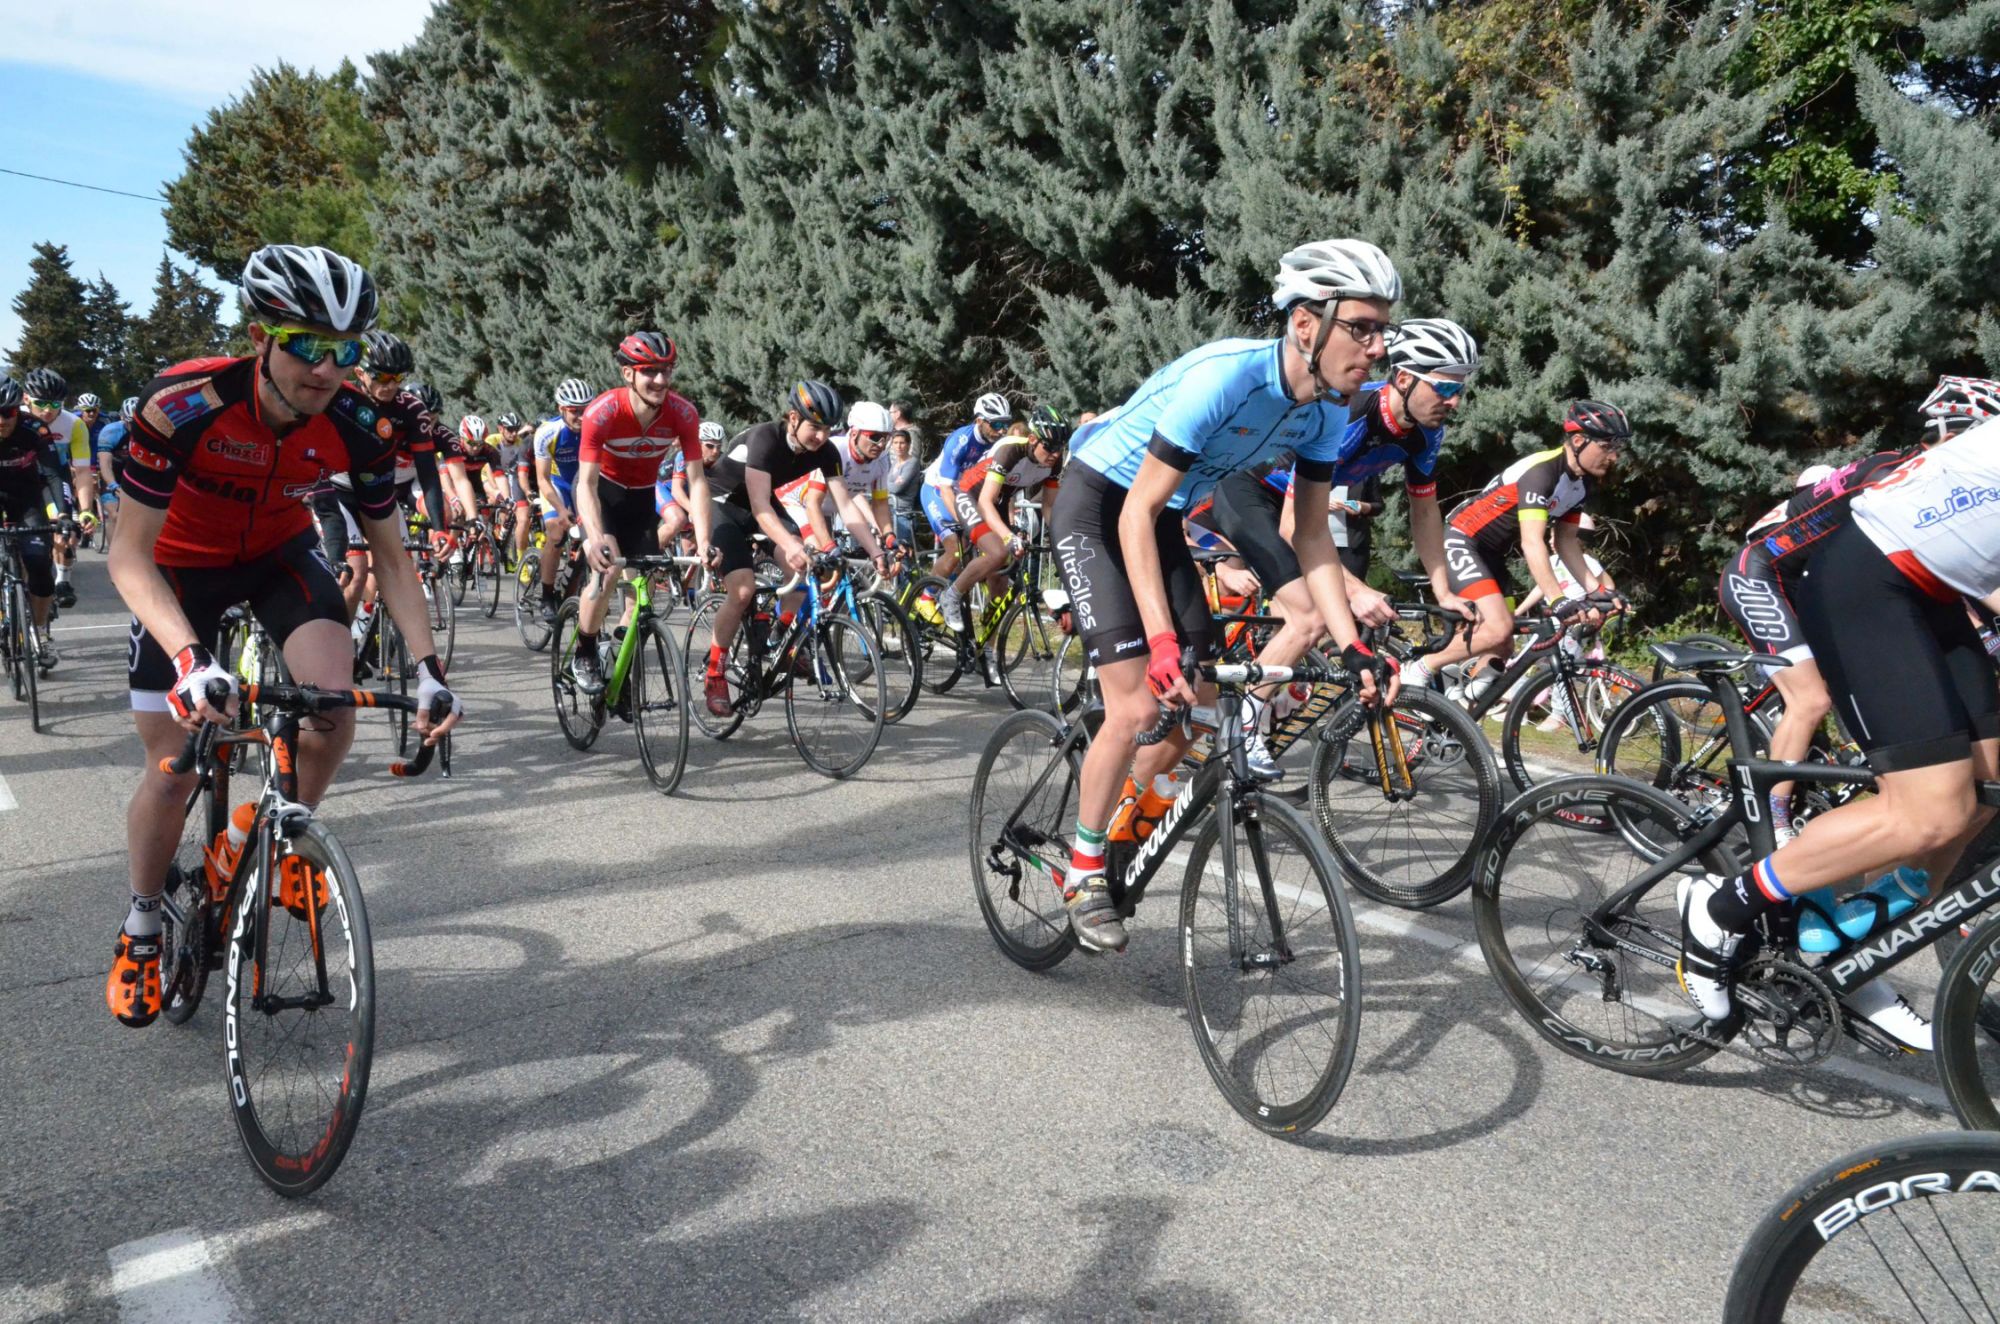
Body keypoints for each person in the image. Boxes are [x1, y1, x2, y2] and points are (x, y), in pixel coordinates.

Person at [104, 243, 461, 1029]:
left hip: (278, 557)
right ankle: (142, 923)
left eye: (345, 351)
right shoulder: (183, 405)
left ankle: (274, 838)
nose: (327, 369)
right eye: (306, 345)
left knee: (332, 707)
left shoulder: (361, 426)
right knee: (171, 768)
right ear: (261, 337)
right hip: (178, 568)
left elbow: (393, 559)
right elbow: (127, 554)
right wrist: (190, 660)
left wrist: (429, 669)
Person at [1050, 237, 1404, 951]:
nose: (1377, 347)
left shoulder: (1327, 410)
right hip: (1099, 506)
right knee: (1138, 703)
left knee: (1203, 707)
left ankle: (1126, 824)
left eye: (1383, 330)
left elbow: (1313, 536)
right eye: (1362, 327)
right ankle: (1084, 869)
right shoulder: (1226, 377)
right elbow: (1135, 512)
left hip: (1162, 516)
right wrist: (1158, 642)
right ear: (1305, 324)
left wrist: (1354, 647)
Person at [1678, 413, 2000, 1053]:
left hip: (1930, 589)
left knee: (1987, 790)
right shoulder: (1892, 466)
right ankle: (1722, 905)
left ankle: (1856, 950)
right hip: (1859, 578)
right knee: (1922, 806)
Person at [1209, 315, 1480, 777]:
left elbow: (1425, 513)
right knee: (1311, 617)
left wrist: (1444, 590)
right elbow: (1296, 528)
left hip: (1297, 508)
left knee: (1326, 621)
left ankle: (1283, 696)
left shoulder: (1426, 431)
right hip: (1251, 494)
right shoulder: (1349, 413)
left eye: (1460, 389)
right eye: (1445, 387)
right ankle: (1239, 729)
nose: (1453, 401)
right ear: (1404, 378)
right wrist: (1354, 588)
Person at [1407, 399, 1629, 690]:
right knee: (1498, 628)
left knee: (1504, 645)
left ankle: (1460, 705)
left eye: (1618, 449)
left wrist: (1598, 591)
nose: (1614, 457)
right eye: (1607, 446)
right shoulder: (1542, 472)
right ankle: (1420, 669)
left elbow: (1566, 542)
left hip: (1492, 555)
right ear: (1578, 441)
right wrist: (1557, 599)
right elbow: (1532, 542)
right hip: (1461, 540)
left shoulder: (1580, 483)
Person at [700, 382, 891, 716]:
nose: (821, 436)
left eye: (828, 429)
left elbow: (846, 506)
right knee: (742, 590)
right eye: (815, 427)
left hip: (761, 506)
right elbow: (760, 507)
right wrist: (791, 545)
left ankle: (779, 639)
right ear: (793, 418)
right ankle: (715, 672)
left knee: (805, 573)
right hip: (722, 504)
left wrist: (876, 552)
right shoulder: (765, 438)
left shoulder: (826, 451)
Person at [571, 332, 712, 695]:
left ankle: (617, 662)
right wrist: (595, 538)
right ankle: (585, 650)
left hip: (642, 499)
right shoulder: (603, 411)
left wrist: (704, 540)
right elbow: (586, 483)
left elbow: (697, 481)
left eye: (667, 370)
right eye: (650, 371)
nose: (661, 380)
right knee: (608, 572)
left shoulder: (683, 413)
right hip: (602, 494)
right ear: (628, 373)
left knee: (642, 594)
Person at [938, 404, 1069, 634]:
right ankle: (951, 596)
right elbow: (985, 502)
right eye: (1049, 447)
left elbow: (1049, 506)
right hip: (971, 495)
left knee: (999, 585)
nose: (1055, 454)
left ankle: (988, 647)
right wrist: (1009, 537)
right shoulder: (1010, 451)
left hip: (997, 502)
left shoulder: (1053, 462)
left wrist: (1061, 539)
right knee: (998, 552)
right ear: (1032, 439)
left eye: (1060, 448)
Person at [0, 374, 72, 667]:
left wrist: (64, 514)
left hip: (26, 498)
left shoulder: (35, 429)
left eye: (8, 412)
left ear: (19, 408)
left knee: (40, 567)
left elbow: (54, 474)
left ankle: (40, 632)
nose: (2, 420)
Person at [921, 393, 1013, 581]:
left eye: (1006, 424)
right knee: (956, 547)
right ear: (980, 421)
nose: (1002, 431)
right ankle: (927, 595)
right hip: (937, 491)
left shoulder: (999, 446)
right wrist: (966, 523)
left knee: (993, 549)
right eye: (996, 425)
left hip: (965, 494)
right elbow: (946, 490)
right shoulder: (961, 441)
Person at [24, 368, 95, 608]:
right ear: (26, 399)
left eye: (55, 404)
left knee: (64, 529)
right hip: (19, 477)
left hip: (55, 477)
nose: (47, 410)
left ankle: (62, 581)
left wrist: (86, 510)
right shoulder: (13, 417)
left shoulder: (74, 425)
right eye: (40, 403)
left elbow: (82, 471)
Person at [532, 378, 594, 619]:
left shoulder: (596, 428)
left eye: (585, 410)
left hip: (583, 486)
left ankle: (579, 589)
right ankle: (547, 595)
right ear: (561, 409)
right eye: (574, 411)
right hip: (556, 486)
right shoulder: (548, 432)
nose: (581, 416)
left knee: (594, 535)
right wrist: (560, 508)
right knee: (557, 532)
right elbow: (543, 479)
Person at [887, 429, 922, 551]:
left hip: (903, 512)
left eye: (902, 443)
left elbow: (897, 488)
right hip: (890, 509)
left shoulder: (912, 462)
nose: (898, 446)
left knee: (903, 552)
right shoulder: (895, 463)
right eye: (895, 443)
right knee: (890, 550)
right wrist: (890, 484)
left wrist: (887, 485)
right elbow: (888, 485)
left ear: (908, 444)